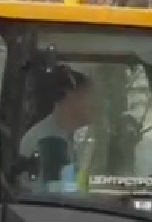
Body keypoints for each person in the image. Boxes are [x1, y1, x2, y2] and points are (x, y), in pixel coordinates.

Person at [19, 60, 95, 190]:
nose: (95, 104)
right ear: (70, 95)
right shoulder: (50, 141)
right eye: (89, 96)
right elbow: (63, 199)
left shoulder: (65, 137)